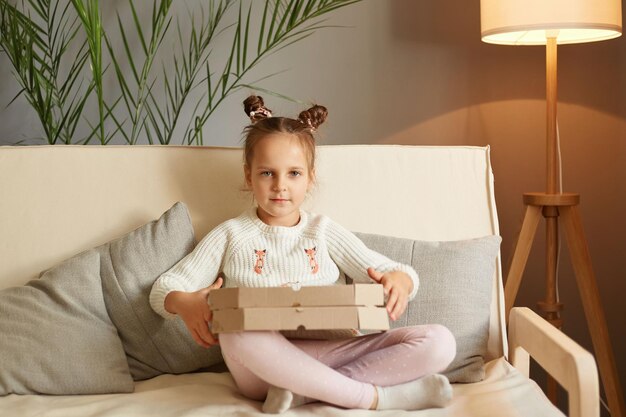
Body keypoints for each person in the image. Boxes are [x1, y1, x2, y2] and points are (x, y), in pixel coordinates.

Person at [149, 95, 456, 413]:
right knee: (234, 329)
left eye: (293, 173)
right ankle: (374, 398)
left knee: (440, 341)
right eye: (268, 173)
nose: (280, 186)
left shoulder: (323, 231)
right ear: (248, 176)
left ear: (310, 178)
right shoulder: (231, 234)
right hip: (260, 366)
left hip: (332, 351)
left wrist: (401, 280)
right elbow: (164, 288)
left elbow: (387, 268)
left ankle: (301, 392)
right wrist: (184, 302)